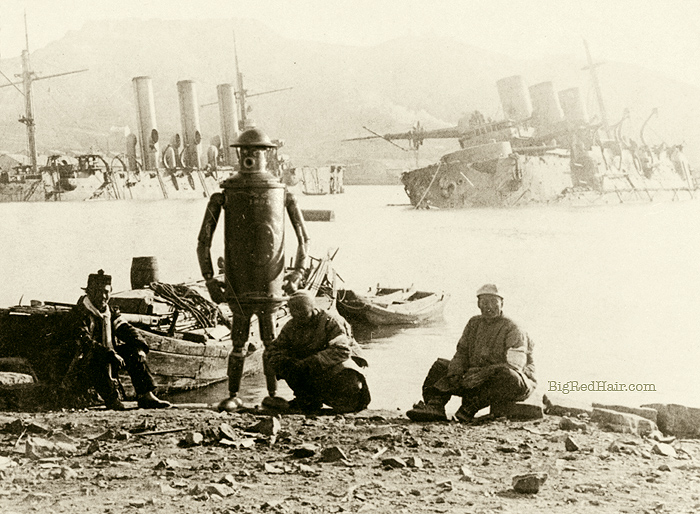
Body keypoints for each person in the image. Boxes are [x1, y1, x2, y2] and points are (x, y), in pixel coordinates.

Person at [406, 284, 535, 422]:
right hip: (476, 378)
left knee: (507, 376)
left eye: (493, 302)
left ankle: (469, 409)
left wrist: (484, 373)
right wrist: (455, 372)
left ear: (502, 303)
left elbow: (515, 366)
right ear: (478, 304)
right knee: (440, 366)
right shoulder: (474, 323)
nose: (489, 307)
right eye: (484, 302)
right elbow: (461, 352)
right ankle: (435, 405)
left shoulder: (513, 328)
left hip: (514, 382)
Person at [63, 270, 171, 410]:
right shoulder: (79, 314)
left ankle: (146, 396)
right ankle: (112, 399)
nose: (103, 296)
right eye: (98, 291)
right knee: (96, 358)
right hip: (83, 364)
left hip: (107, 355)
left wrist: (139, 347)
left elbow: (126, 329)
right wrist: (110, 354)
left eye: (106, 292)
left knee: (133, 351)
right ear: (89, 291)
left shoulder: (110, 313)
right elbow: (86, 342)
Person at [263, 290, 370, 414]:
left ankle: (349, 401)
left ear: (313, 309)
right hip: (311, 368)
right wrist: (286, 362)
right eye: (295, 315)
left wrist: (312, 361)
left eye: (303, 314)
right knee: (283, 362)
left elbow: (342, 351)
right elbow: (274, 349)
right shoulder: (291, 326)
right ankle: (307, 399)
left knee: (347, 376)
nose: (299, 319)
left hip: (335, 364)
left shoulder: (331, 321)